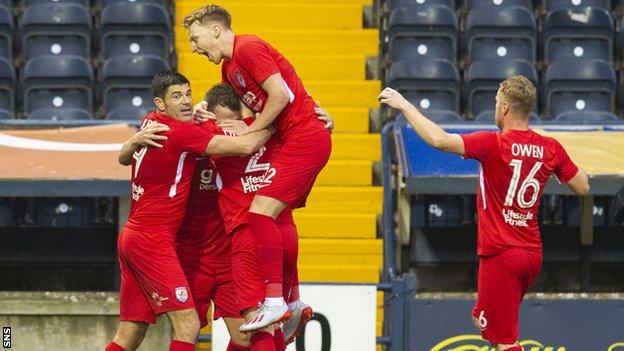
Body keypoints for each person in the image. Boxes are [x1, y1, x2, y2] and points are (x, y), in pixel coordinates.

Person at [379, 76, 590, 351]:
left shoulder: (493, 144)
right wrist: (545, 167)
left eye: (495, 102)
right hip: (531, 253)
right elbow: (583, 186)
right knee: (485, 321)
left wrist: (405, 106)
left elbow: (439, 139)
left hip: (501, 253)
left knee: (505, 341)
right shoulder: (550, 148)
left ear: (504, 108)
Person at [183, 5, 332, 331]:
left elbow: (281, 95)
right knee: (276, 213)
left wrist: (249, 132)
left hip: (303, 138)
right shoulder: (227, 71)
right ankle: (293, 300)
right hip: (297, 137)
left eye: (196, 38)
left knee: (261, 212)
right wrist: (219, 122)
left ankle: (276, 302)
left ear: (216, 30)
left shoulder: (248, 47)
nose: (193, 47)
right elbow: (253, 113)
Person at [107, 71, 272, 351]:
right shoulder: (182, 133)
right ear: (161, 103)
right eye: (176, 96)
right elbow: (245, 146)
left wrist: (132, 142)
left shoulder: (151, 122)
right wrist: (280, 122)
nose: (185, 101)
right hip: (153, 241)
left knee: (130, 334)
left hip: (135, 237)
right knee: (189, 325)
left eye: (187, 94)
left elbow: (123, 158)